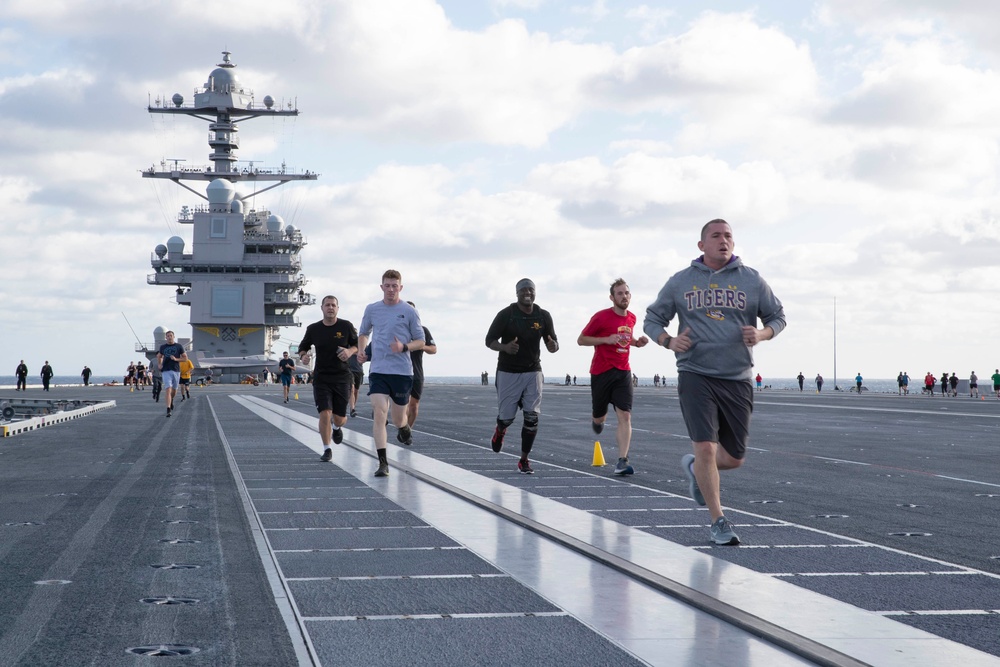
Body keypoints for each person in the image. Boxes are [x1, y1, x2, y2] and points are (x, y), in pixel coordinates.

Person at [643, 218, 786, 546]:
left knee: (734, 458)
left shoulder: (751, 280)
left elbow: (777, 317)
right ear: (702, 245)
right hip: (695, 373)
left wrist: (761, 334)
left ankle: (694, 469)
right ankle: (718, 520)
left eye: (729, 236)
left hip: (737, 377)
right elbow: (653, 319)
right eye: (716, 236)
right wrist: (668, 341)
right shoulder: (681, 282)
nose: (724, 241)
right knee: (706, 446)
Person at [485, 278, 559, 474]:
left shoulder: (543, 316)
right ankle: (500, 430)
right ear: (517, 293)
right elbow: (489, 340)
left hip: (533, 371)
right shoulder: (506, 315)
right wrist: (504, 347)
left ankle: (524, 460)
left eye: (531, 290)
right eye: (524, 290)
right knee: (507, 417)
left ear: (535, 293)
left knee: (532, 418)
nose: (528, 293)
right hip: (508, 372)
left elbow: (553, 341)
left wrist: (553, 346)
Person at [577, 278, 649, 476]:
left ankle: (622, 460)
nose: (624, 296)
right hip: (601, 372)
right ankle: (597, 421)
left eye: (626, 293)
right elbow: (581, 340)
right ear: (612, 297)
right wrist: (605, 340)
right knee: (599, 417)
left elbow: (626, 340)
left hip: (623, 371)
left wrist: (637, 343)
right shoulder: (601, 317)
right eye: (620, 293)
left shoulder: (632, 318)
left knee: (625, 415)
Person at [357, 270, 425, 477]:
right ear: (382, 287)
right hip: (378, 370)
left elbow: (421, 341)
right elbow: (363, 333)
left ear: (400, 288)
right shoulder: (372, 309)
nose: (391, 289)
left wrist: (403, 347)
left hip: (402, 373)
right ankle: (383, 463)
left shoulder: (409, 312)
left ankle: (404, 427)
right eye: (387, 285)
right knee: (379, 413)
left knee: (397, 419)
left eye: (395, 286)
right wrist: (361, 350)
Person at [298, 295, 359, 463]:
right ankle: (327, 449)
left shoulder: (346, 326)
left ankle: (337, 427)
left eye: (333, 305)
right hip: (321, 377)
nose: (330, 308)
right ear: (322, 308)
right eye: (327, 305)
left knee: (340, 417)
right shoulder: (313, 329)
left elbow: (358, 344)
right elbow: (303, 347)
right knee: (325, 413)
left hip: (341, 377)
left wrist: (349, 352)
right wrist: (303, 356)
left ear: (337, 308)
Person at [404, 301, 437, 431]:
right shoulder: (397, 329)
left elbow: (433, 349)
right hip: (401, 372)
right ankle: (402, 428)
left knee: (414, 406)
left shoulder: (422, 331)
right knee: (402, 405)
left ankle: (407, 431)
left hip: (417, 373)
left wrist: (420, 345)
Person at [157, 331, 187, 417]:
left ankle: (171, 399)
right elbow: (159, 356)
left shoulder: (178, 346)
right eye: (168, 336)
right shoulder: (162, 347)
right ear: (166, 337)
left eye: (171, 336)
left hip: (176, 370)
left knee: (174, 390)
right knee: (168, 389)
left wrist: (176, 359)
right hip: (166, 370)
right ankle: (168, 409)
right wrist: (159, 364)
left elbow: (185, 358)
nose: (169, 337)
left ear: (174, 337)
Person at [348, 351, 364, 418]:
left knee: (356, 391)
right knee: (352, 388)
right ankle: (352, 409)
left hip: (358, 370)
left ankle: (353, 406)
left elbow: (364, 354)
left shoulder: (362, 344)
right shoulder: (349, 343)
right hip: (349, 369)